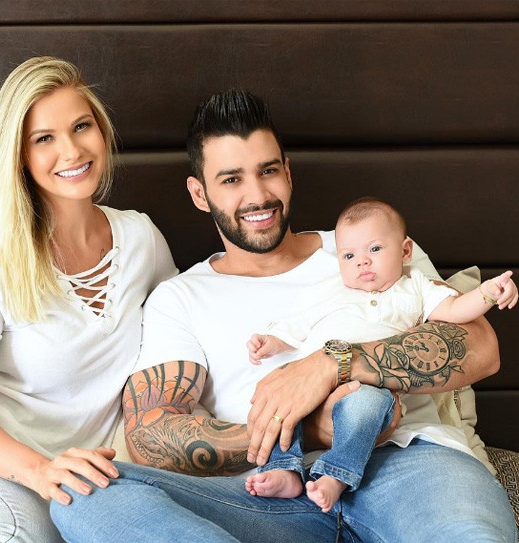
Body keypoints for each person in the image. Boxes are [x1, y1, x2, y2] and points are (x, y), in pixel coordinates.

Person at [50, 89, 516, 543]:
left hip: (405, 464)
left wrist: (329, 364)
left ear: (287, 173)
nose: (258, 195)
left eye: (268, 171)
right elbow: (151, 433)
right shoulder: (181, 297)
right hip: (268, 491)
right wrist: (305, 429)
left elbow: (480, 348)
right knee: (83, 492)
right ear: (199, 192)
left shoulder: (366, 245)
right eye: (231, 179)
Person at [0, 56, 176, 542]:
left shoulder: (141, 239)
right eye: (44, 138)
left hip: (72, 475)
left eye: (81, 126)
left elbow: (185, 326)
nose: (71, 150)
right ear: (20, 156)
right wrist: (39, 473)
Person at [244, 197, 517, 512]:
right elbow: (297, 324)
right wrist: (271, 341)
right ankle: (284, 468)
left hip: (368, 386)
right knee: (280, 397)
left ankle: (337, 473)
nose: (362, 262)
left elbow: (456, 311)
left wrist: (487, 293)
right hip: (310, 387)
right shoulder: (331, 289)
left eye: (374, 249)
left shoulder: (416, 287)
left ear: (405, 251)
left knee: (366, 405)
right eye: (349, 255)